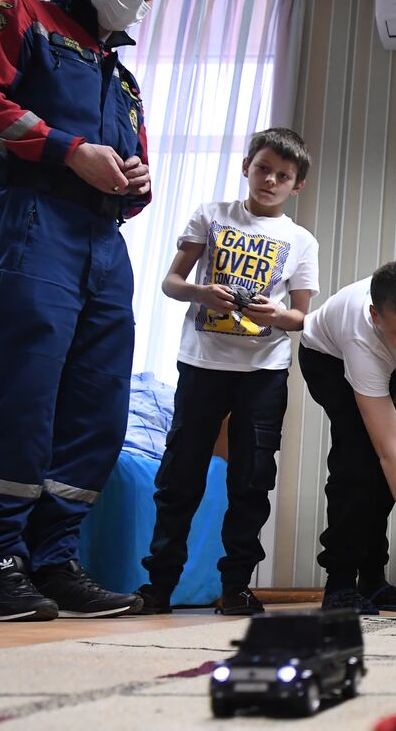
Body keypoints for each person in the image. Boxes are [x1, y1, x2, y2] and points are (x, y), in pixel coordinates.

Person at [0, 0, 168, 621]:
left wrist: (134, 180)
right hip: (33, 217)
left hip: (102, 240)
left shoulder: (123, 81)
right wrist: (67, 149)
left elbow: (136, 182)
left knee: (97, 402)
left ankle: (53, 557)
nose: (134, 0)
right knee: (27, 390)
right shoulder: (22, 17)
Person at [134, 128, 319, 616]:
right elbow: (172, 282)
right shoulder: (211, 214)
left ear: (296, 186)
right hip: (202, 364)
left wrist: (274, 317)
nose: (271, 180)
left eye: (283, 175)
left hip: (264, 372)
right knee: (180, 475)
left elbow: (302, 317)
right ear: (246, 167)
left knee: (252, 479)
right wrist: (202, 292)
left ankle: (236, 585)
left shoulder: (300, 240)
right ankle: (158, 587)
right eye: (263, 168)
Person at [298, 260, 396, 613]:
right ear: (376, 316)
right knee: (358, 461)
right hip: (326, 358)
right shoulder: (363, 341)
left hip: (383, 357)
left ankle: (372, 579)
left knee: (381, 477)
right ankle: (339, 584)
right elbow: (390, 452)